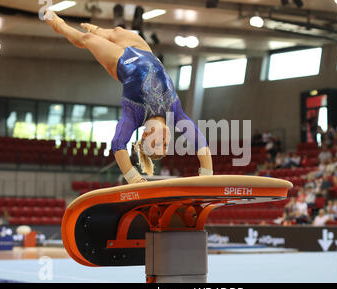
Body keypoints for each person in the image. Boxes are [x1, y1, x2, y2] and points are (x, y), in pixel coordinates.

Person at [44, 11, 213, 183]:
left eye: (156, 144)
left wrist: (133, 178)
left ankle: (57, 24)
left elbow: (118, 144)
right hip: (144, 52)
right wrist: (207, 174)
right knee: (116, 31)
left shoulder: (134, 115)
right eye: (165, 145)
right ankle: (96, 28)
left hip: (120, 61)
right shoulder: (175, 113)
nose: (163, 141)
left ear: (145, 136)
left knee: (87, 40)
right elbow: (199, 141)